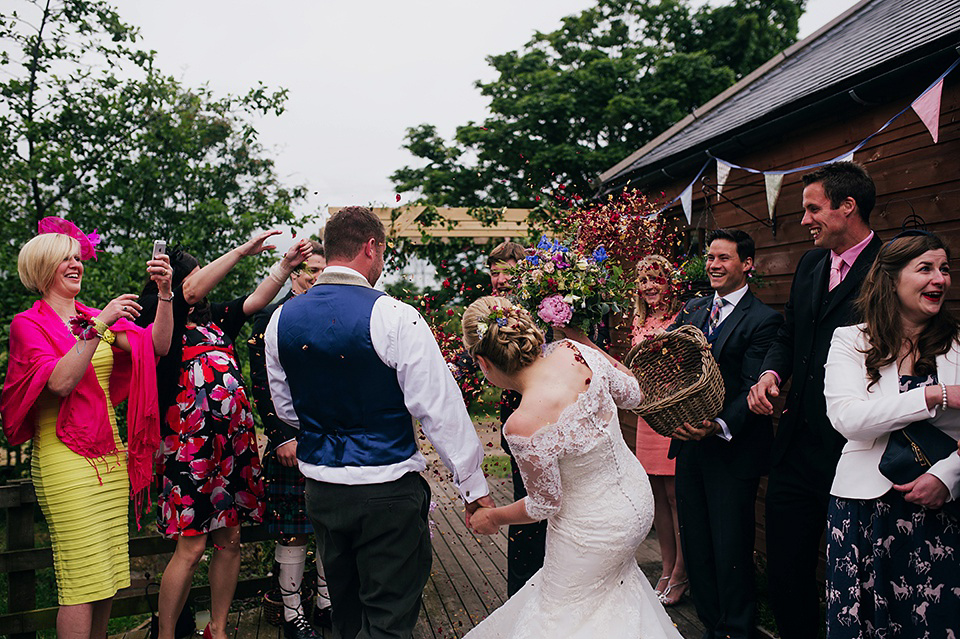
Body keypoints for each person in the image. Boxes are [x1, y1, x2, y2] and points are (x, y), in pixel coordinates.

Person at [264, 206, 493, 639]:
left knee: (346, 616)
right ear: (370, 247)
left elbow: (287, 410)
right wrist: (473, 487)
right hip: (386, 491)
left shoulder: (281, 320)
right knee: (388, 618)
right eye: (383, 252)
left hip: (324, 493)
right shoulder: (395, 315)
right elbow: (439, 408)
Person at [461, 296, 682, 639]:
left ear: (483, 362)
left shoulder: (522, 424)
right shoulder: (575, 351)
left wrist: (494, 517)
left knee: (558, 614)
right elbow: (636, 394)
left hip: (594, 528)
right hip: (636, 506)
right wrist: (591, 345)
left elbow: (545, 504)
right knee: (610, 601)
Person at [1, 218, 173, 639]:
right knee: (80, 579)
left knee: (109, 576)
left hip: (110, 456)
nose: (76, 264)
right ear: (44, 268)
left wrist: (166, 296)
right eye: (66, 259)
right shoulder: (29, 325)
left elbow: (157, 347)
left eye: (78, 257)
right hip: (65, 460)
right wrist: (99, 328)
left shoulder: (92, 316)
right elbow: (59, 382)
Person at [138, 232, 313, 639]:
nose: (204, 285)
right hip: (188, 449)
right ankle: (165, 635)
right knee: (193, 546)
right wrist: (241, 250)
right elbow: (189, 289)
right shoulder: (159, 311)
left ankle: (216, 629)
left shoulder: (214, 317)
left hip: (231, 449)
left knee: (231, 540)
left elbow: (253, 302)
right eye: (197, 277)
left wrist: (284, 267)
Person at [747, 161, 883, 639]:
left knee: (857, 570)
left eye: (812, 209)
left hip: (856, 447)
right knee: (786, 565)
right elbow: (789, 334)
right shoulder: (809, 264)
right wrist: (769, 373)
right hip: (795, 441)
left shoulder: (889, 268)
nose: (804, 220)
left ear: (848, 207)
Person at [822, 230, 960, 635]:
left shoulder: (957, 344)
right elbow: (848, 419)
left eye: (945, 269)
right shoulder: (851, 342)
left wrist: (947, 475)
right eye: (926, 269)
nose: (940, 279)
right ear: (892, 278)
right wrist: (934, 395)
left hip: (943, 511)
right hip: (862, 511)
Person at [667, 229, 783, 638]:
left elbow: (751, 381)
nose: (713, 265)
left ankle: (738, 628)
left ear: (747, 264)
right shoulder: (694, 310)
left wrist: (716, 425)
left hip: (733, 448)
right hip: (688, 445)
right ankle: (710, 623)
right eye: (710, 257)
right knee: (696, 541)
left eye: (724, 258)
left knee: (730, 544)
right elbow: (672, 365)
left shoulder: (763, 319)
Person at [247, 240, 331, 639]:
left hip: (332, 438)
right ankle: (292, 612)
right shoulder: (268, 317)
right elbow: (261, 383)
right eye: (310, 270)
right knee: (294, 528)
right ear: (295, 273)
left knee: (332, 521)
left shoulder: (334, 314)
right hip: (291, 440)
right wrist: (279, 437)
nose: (316, 277)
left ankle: (327, 605)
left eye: (322, 269)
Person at [485, 240, 551, 596]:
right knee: (526, 512)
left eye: (506, 272)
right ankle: (522, 595)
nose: (499, 280)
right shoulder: (490, 316)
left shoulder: (548, 312)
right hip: (519, 426)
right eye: (494, 273)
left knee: (554, 511)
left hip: (553, 422)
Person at [627, 254, 686, 604]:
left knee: (678, 496)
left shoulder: (682, 318)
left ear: (669, 281)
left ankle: (682, 570)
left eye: (656, 278)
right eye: (644, 280)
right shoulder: (640, 320)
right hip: (647, 417)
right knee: (657, 497)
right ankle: (666, 567)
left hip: (674, 413)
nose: (650, 286)